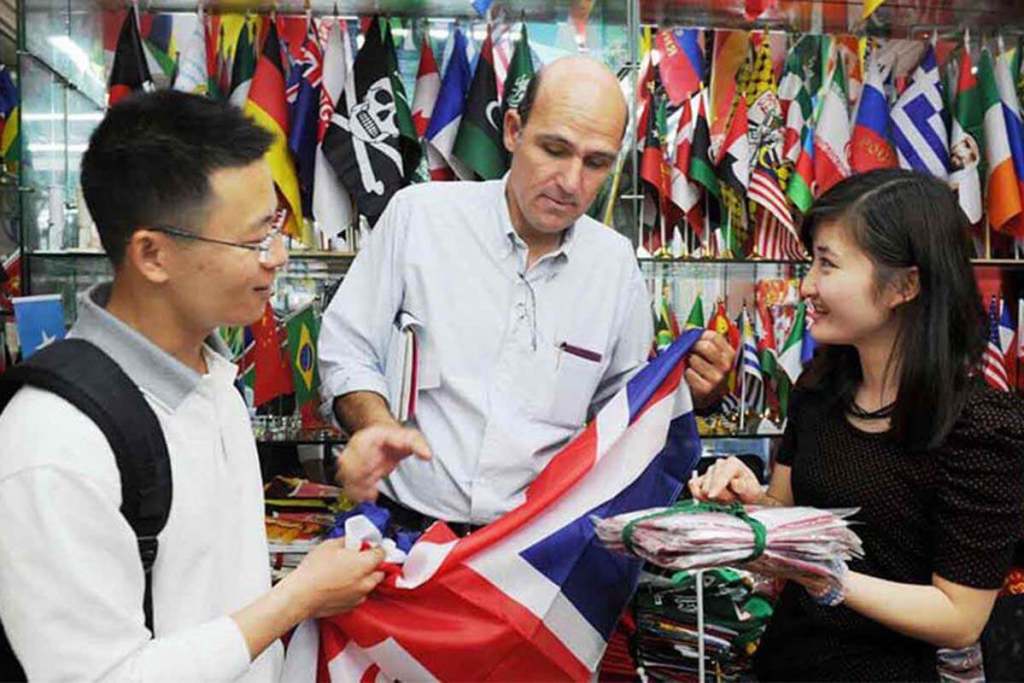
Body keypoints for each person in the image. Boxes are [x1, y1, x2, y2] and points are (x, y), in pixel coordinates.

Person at [0, 91, 387, 681]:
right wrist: (298, 598)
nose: (278, 256)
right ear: (153, 255)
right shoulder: (55, 443)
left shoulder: (215, 378)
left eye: (277, 227)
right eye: (255, 240)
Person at [319, 56, 735, 530]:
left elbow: (624, 415)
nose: (571, 182)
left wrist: (695, 394)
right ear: (513, 130)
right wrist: (376, 426)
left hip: (535, 550)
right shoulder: (420, 218)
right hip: (407, 528)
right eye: (554, 150)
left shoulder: (614, 267)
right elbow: (347, 349)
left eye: (596, 162)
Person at [689, 169, 1024, 680]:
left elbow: (959, 617)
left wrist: (829, 578)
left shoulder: (981, 428)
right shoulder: (819, 390)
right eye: (810, 263)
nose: (806, 287)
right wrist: (751, 506)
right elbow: (792, 516)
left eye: (827, 265)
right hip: (787, 661)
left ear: (905, 285)